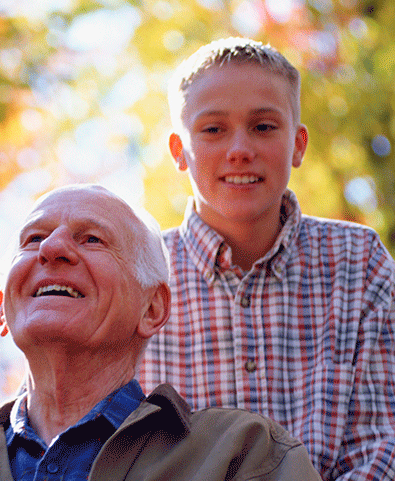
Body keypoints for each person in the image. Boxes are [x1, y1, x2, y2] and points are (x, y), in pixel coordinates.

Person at [0, 184, 320, 481]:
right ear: (2, 309)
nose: (52, 248)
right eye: (33, 240)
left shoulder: (245, 456)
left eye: (92, 239)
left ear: (152, 308)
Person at [138, 37, 395, 480]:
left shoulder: (359, 262)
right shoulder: (138, 278)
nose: (240, 148)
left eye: (263, 127)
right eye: (214, 129)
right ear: (179, 152)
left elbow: (382, 444)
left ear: (297, 145)